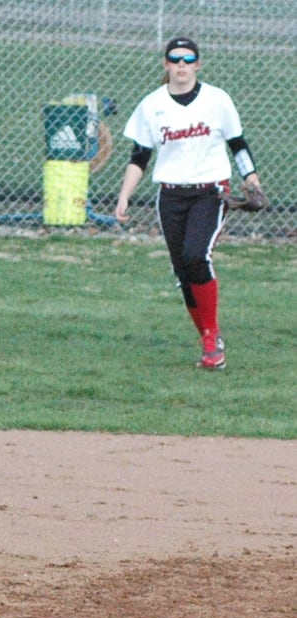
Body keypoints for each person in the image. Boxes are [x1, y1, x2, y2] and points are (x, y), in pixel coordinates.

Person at [114, 35, 263, 371]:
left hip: (211, 191)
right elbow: (140, 156)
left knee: (197, 254)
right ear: (166, 64)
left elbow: (238, 143)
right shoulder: (152, 104)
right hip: (170, 194)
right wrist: (124, 195)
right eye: (175, 59)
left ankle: (211, 340)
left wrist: (250, 177)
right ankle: (210, 341)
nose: (181, 65)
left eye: (188, 59)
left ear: (198, 64)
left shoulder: (217, 100)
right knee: (183, 270)